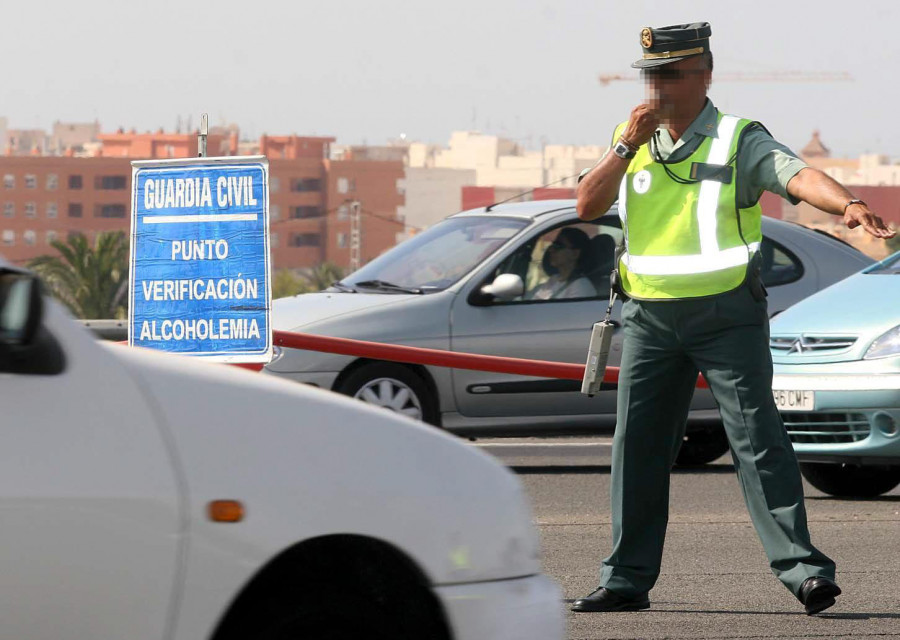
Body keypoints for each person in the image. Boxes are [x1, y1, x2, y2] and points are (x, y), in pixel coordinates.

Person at [572, 22, 895, 616]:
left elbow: (797, 176)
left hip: (726, 316)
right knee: (636, 448)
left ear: (705, 76)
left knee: (757, 440)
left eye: (672, 74)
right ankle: (625, 579)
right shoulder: (632, 139)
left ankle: (803, 571)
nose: (659, 86)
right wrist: (624, 146)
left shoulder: (735, 138)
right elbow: (587, 204)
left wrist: (847, 203)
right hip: (648, 320)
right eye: (653, 75)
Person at [525, 227, 597, 300]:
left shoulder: (581, 286)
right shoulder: (553, 280)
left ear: (575, 254)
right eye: (552, 246)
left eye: (558, 246)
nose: (551, 250)